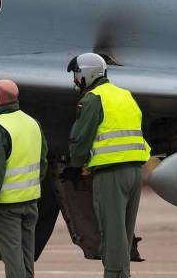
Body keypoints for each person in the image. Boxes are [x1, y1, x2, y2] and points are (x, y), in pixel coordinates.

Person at [63, 53, 150, 278]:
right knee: (124, 236)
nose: (75, 80)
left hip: (111, 174)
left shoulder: (93, 99)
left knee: (112, 236)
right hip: (134, 173)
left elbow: (81, 138)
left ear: (87, 74)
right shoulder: (126, 95)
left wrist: (74, 165)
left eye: (76, 74)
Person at [0, 79, 48, 278]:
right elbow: (43, 162)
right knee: (26, 262)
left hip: (6, 208)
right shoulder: (32, 123)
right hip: (30, 204)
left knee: (13, 262)